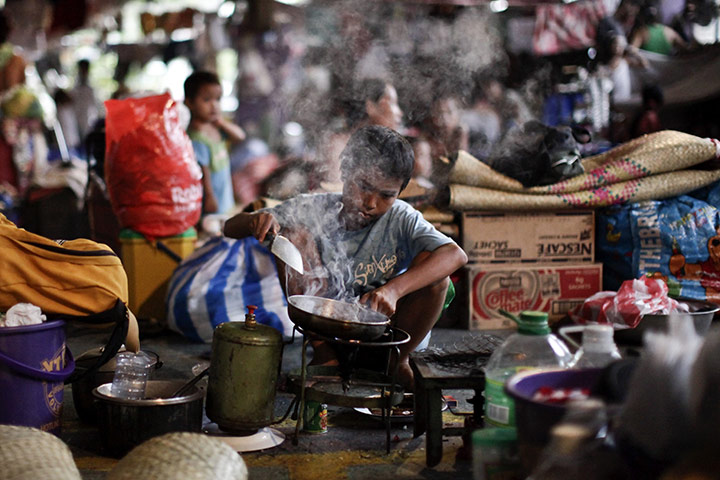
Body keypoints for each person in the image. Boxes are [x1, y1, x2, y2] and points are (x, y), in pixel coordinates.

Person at [223, 125, 468, 388]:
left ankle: (397, 363)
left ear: (399, 192)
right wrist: (255, 222)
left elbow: (456, 254)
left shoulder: (401, 217)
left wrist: (393, 291)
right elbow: (229, 227)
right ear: (345, 172)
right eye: (363, 186)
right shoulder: (314, 208)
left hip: (391, 336)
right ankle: (326, 359)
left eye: (386, 195)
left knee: (438, 278)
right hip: (330, 335)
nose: (371, 203)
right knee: (292, 234)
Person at [184, 71, 246, 217]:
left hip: (225, 198)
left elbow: (240, 136)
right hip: (211, 203)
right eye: (206, 100)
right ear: (189, 103)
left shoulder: (217, 128)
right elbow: (202, 170)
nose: (214, 105)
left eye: (217, 99)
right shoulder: (196, 137)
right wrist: (210, 197)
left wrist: (222, 123)